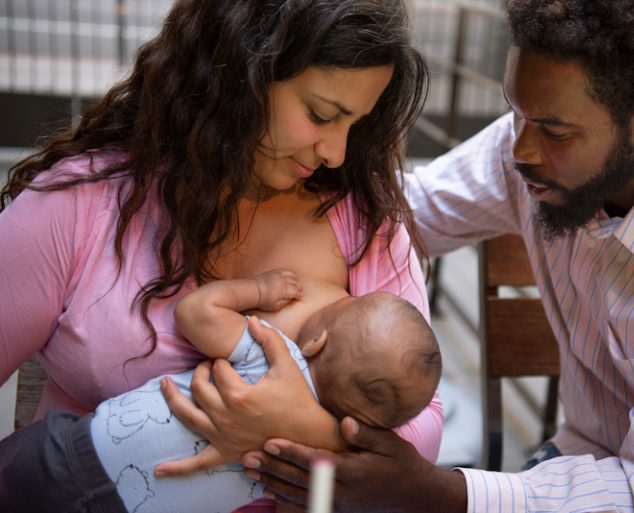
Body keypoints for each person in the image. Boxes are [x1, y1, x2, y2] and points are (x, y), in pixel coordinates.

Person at [158, 0, 634, 512]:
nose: (520, 149)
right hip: (569, 466)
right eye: (515, 113)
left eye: (553, 131)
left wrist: (435, 491)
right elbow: (397, 215)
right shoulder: (533, 151)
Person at [0, 1, 444, 513]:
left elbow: (423, 423)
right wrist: (325, 441)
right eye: (322, 114)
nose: (338, 154)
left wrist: (302, 427)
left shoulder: (363, 223)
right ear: (240, 78)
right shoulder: (82, 204)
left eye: (356, 123)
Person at [0, 269, 441, 513]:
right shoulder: (304, 462)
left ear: (316, 341)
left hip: (72, 453)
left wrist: (259, 288)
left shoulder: (275, 355)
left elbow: (195, 312)